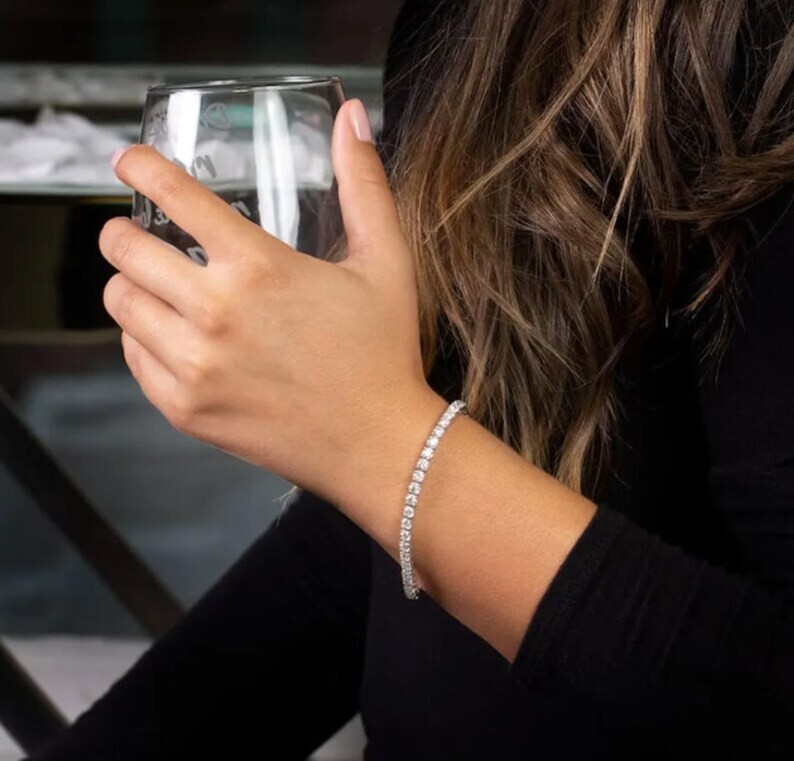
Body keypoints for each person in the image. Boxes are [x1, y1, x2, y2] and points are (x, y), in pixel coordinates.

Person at [27, 0, 794, 758]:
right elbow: (391, 545)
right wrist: (368, 443)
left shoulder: (762, 40)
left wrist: (374, 439)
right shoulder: (463, 22)